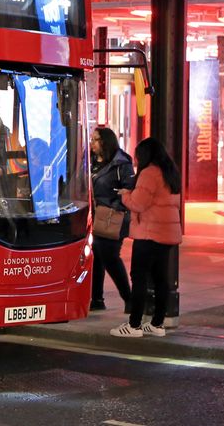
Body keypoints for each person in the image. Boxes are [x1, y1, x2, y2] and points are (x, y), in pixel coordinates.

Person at [111, 137, 183, 338]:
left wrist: (125, 195)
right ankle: (157, 324)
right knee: (161, 279)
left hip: (149, 233)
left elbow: (139, 204)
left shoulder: (149, 173)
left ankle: (134, 325)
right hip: (167, 233)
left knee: (139, 277)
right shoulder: (170, 172)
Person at [90, 126, 135, 311]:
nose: (91, 143)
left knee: (109, 256)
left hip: (112, 216)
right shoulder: (91, 160)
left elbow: (129, 190)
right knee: (97, 256)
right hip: (96, 215)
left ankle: (129, 298)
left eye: (95, 140)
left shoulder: (122, 163)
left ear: (105, 142)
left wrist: (114, 207)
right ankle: (97, 299)